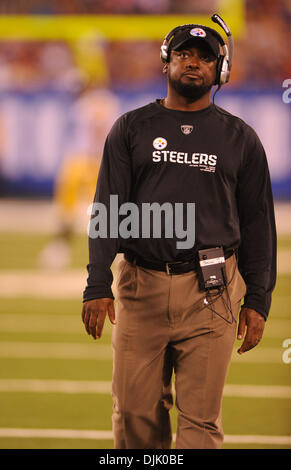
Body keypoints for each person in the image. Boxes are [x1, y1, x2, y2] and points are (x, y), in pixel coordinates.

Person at [81, 17, 276, 449]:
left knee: (200, 424)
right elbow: (108, 209)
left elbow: (259, 223)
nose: (194, 63)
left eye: (205, 57)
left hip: (212, 290)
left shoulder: (241, 138)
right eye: (185, 53)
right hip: (140, 286)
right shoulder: (131, 128)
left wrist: (259, 298)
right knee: (134, 416)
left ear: (220, 71)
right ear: (167, 61)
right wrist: (97, 281)